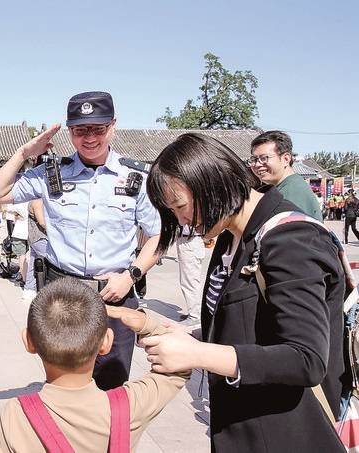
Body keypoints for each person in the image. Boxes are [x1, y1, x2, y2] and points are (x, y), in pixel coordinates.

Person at [142, 132, 345, 452]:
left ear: (211, 181)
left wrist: (198, 354)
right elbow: (253, 319)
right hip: (241, 428)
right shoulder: (229, 233)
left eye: (180, 206)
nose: (181, 220)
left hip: (283, 434)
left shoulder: (289, 237)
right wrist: (193, 334)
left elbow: (306, 359)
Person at [0, 91, 162, 390]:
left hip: (115, 296)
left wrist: (131, 276)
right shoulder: (51, 174)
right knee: (63, 387)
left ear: (113, 125)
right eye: (81, 130)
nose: (90, 137)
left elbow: (159, 236)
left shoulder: (137, 178)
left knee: (112, 387)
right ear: (70, 131)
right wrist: (24, 153)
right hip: (63, 298)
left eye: (98, 128)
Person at [0, 277, 190, 452]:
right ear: (107, 342)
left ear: (28, 341)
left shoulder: (16, 415)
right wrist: (146, 323)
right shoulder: (131, 406)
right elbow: (181, 365)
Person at [249, 130, 322, 221]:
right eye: (254, 159)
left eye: (264, 158)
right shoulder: (287, 187)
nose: (257, 164)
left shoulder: (291, 193)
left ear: (286, 159)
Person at [176, 224, 206, 325]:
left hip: (191, 241)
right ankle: (193, 312)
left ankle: (195, 316)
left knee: (190, 281)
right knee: (186, 280)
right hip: (186, 240)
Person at [22, 198, 48, 301]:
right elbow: (42, 222)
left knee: (33, 262)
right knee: (52, 261)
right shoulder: (37, 201)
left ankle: (29, 289)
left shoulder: (37, 201)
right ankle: (46, 289)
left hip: (35, 238)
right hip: (40, 237)